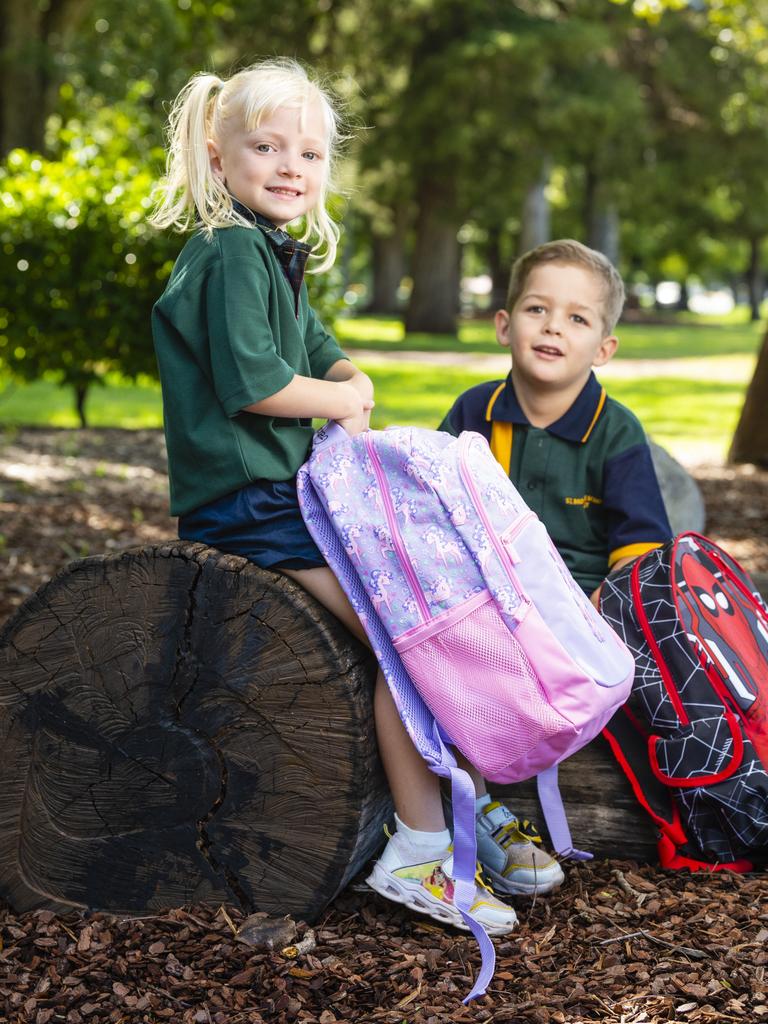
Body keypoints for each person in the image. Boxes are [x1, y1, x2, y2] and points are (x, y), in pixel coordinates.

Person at [149, 58, 528, 935]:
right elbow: (252, 381)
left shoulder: (267, 251)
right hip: (246, 504)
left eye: (310, 153)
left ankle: (452, 805)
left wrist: (346, 373)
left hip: (276, 497)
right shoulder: (229, 250)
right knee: (407, 640)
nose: (291, 166)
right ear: (218, 155)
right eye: (267, 146)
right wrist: (342, 402)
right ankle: (420, 850)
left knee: (419, 613)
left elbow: (314, 343)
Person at [440, 239, 673, 894]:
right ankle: (469, 812)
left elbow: (641, 546)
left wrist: (593, 613)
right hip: (485, 602)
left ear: (604, 347)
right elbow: (437, 512)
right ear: (505, 325)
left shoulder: (615, 430)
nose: (553, 327)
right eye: (538, 309)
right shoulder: (473, 413)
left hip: (581, 613)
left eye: (577, 318)